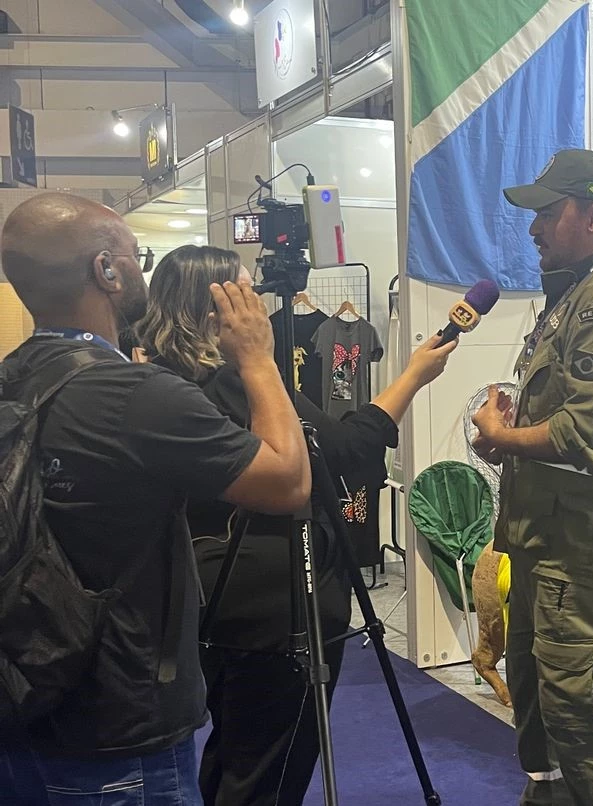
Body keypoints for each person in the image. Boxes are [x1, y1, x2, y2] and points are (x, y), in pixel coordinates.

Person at [0, 193, 309, 804]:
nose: (142, 270)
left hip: (21, 703)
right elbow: (288, 482)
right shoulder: (137, 394)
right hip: (118, 725)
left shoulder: (12, 379)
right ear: (105, 271)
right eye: (134, 256)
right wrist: (257, 359)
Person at [136, 245, 457, 806]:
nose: (261, 305)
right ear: (217, 310)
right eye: (247, 293)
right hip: (278, 609)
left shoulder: (160, 384)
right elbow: (345, 451)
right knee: (269, 770)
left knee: (236, 756)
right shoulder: (240, 384)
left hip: (205, 600)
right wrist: (412, 376)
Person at [472, 149, 593, 806]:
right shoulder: (578, 292)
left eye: (546, 212)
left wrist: (504, 437)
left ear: (592, 217)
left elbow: (585, 432)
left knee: (585, 717)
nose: (533, 227)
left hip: (585, 550)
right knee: (542, 700)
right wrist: (513, 437)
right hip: (551, 541)